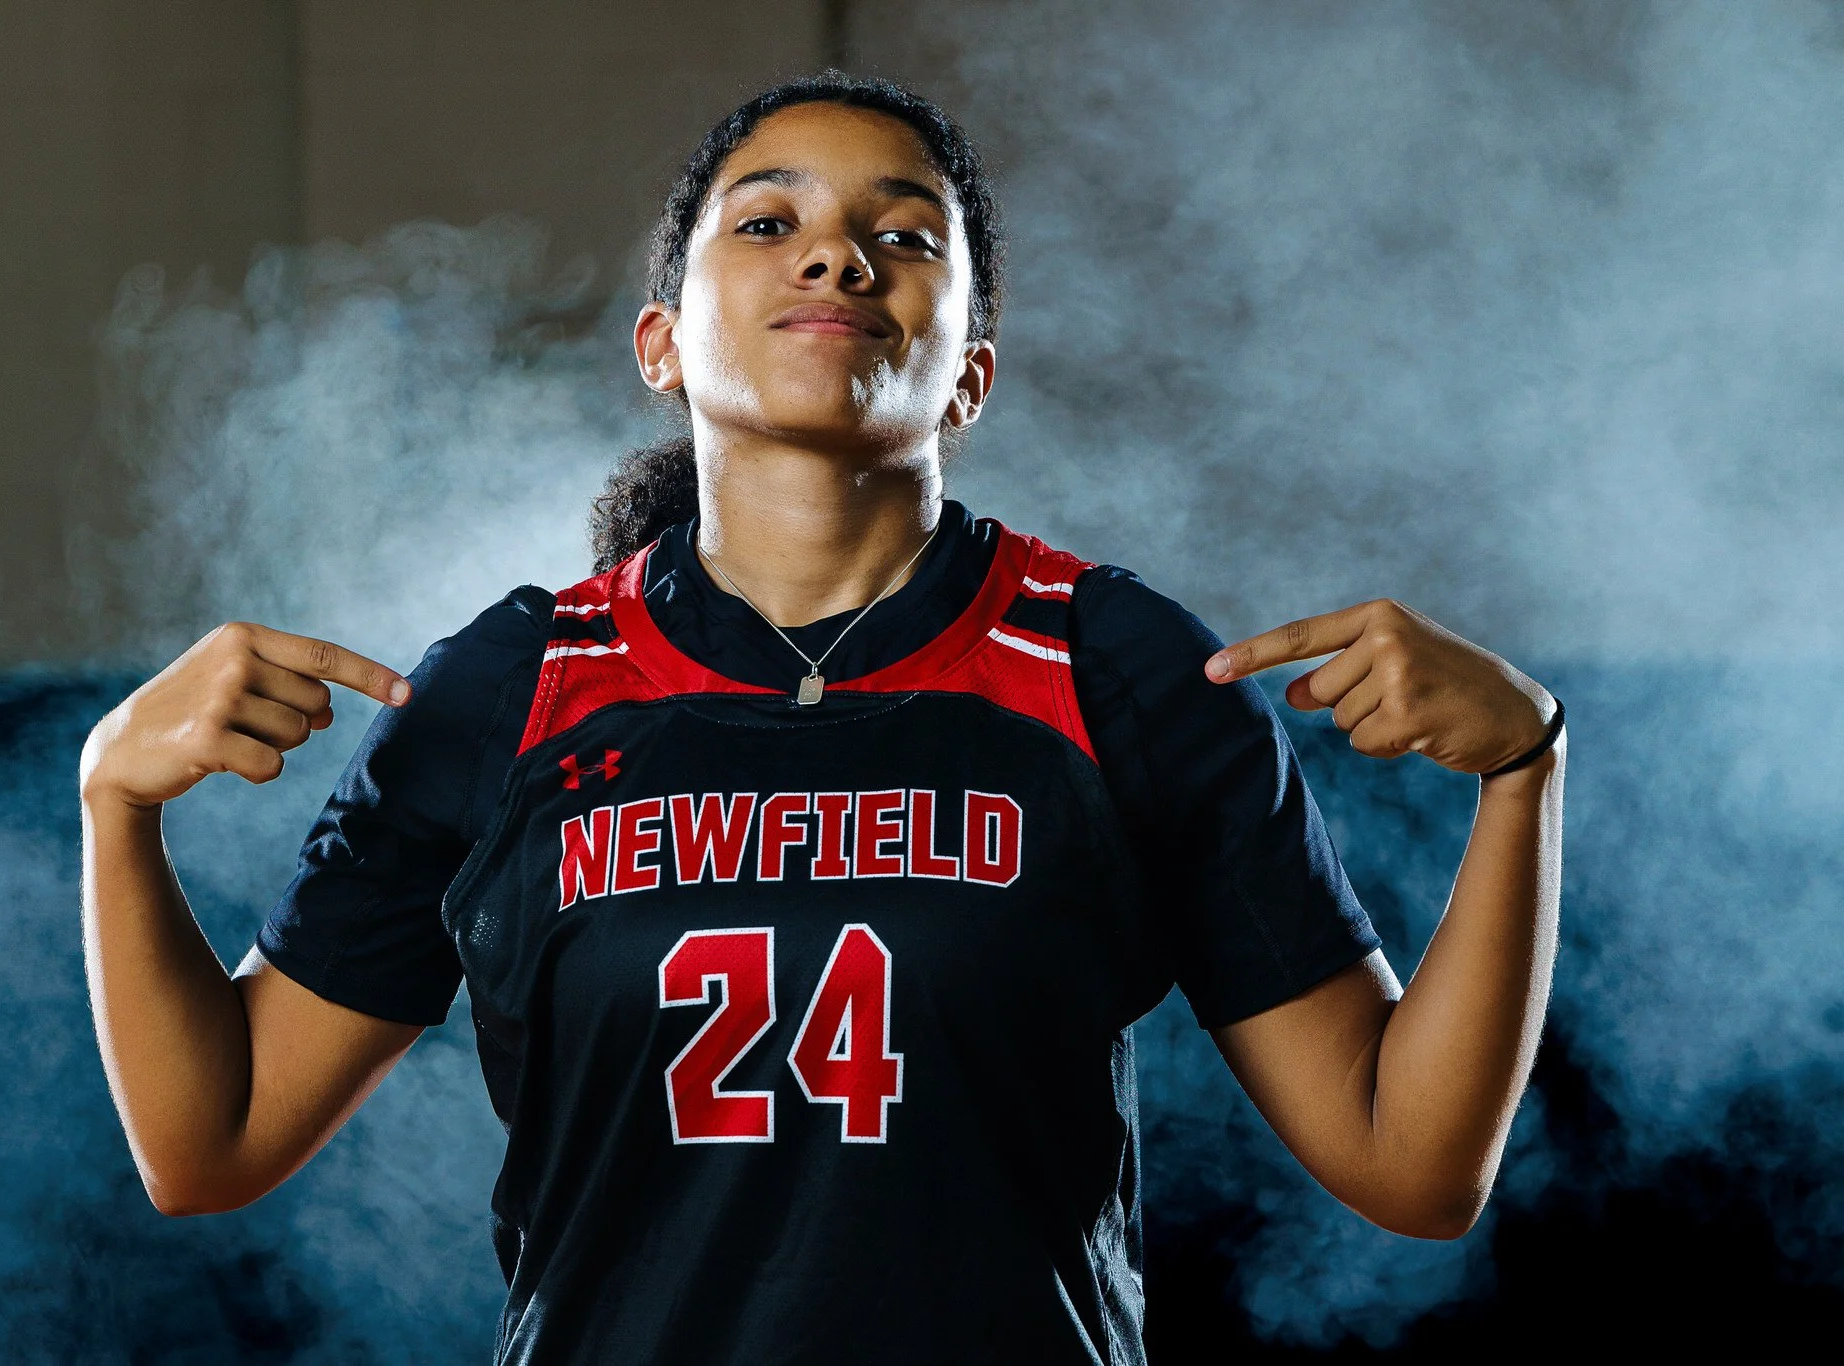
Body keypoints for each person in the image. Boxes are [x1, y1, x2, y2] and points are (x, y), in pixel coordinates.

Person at [80, 72, 1565, 1366]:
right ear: (661, 343)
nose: (841, 253)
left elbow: (1412, 1162)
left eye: (906, 233)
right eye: (769, 220)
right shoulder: (515, 683)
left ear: (969, 370)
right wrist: (115, 805)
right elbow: (211, 1141)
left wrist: (1523, 770)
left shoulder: (1105, 660)